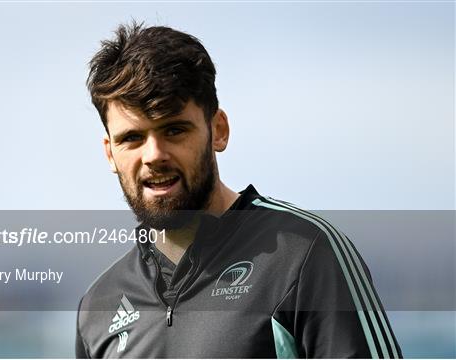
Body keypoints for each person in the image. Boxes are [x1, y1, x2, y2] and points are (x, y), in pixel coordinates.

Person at [76, 22, 403, 359]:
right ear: (110, 152)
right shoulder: (98, 304)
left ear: (218, 131)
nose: (154, 155)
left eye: (174, 130)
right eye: (132, 138)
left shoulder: (306, 255)